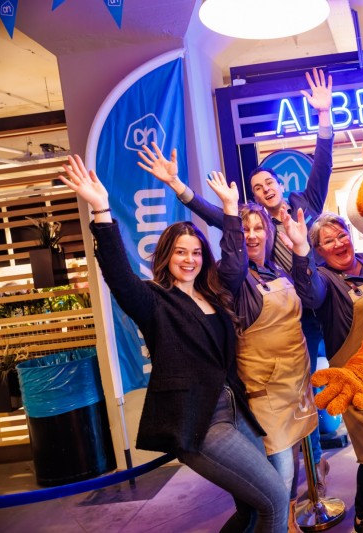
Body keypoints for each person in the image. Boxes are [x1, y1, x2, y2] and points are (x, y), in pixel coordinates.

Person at [59, 155, 289, 532]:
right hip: (198, 424)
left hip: (234, 411)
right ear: (166, 256)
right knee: (276, 500)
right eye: (181, 251)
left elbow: (235, 261)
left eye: (196, 252)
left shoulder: (215, 294)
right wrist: (101, 210)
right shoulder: (154, 300)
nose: (190, 259)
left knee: (251, 507)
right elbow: (117, 274)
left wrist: (231, 211)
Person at [138, 67, 334, 492]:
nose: (262, 189)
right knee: (282, 399)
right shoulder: (251, 226)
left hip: (308, 308)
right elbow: (219, 220)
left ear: (282, 184)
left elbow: (323, 164)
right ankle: (300, 476)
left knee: (311, 391)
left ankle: (315, 465)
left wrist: (323, 117)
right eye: (255, 187)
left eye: (267, 183)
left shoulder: (306, 204)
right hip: (267, 315)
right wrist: (180, 189)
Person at [295, 213, 363, 533]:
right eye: (328, 241)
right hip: (355, 380)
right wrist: (300, 250)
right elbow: (309, 293)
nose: (339, 243)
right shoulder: (324, 280)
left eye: (341, 235)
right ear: (319, 251)